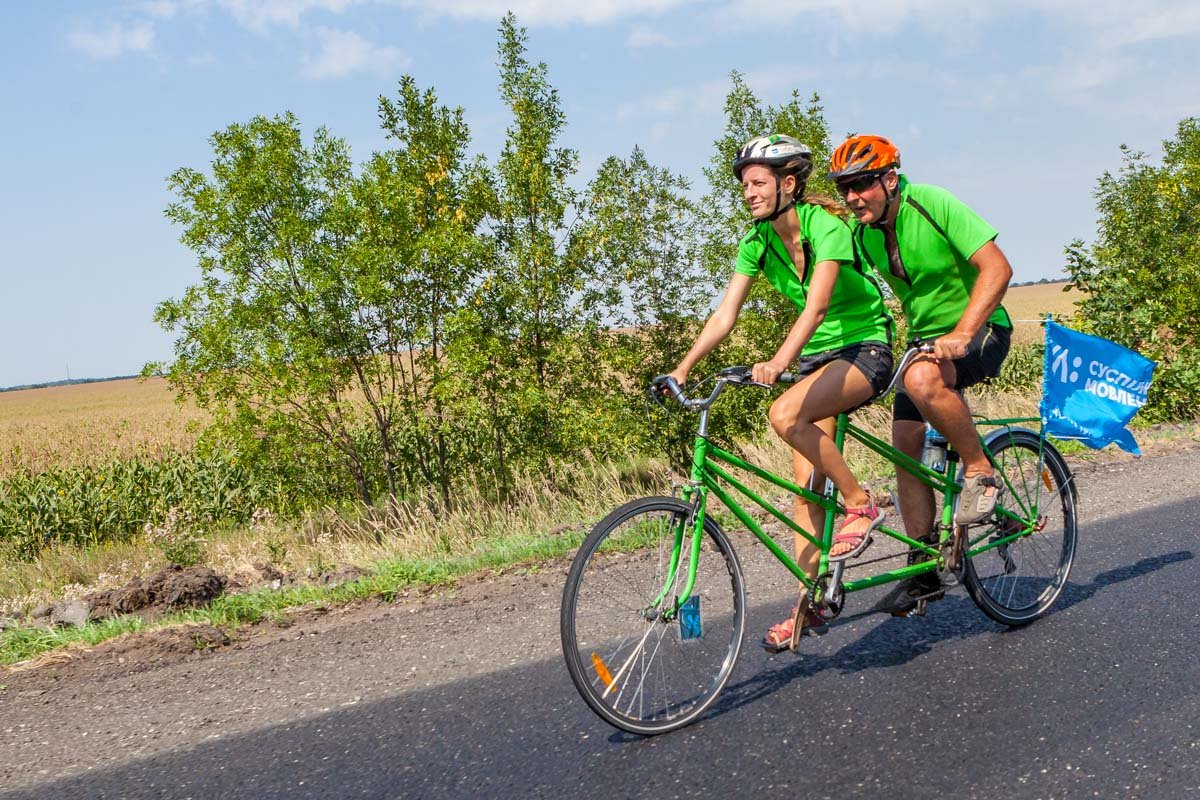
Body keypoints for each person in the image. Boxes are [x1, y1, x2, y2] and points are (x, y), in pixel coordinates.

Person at [665, 134, 894, 650]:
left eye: (758, 182)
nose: (748, 192)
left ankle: (860, 504)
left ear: (789, 184)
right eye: (744, 184)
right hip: (818, 359)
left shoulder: (826, 226)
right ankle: (808, 603)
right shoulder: (757, 242)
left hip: (865, 348)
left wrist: (777, 363)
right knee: (806, 487)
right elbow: (726, 314)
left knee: (785, 414)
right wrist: (683, 368)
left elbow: (815, 308)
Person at [827, 134, 1014, 614]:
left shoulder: (932, 202)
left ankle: (980, 470)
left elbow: (997, 268)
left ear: (890, 179)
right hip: (924, 346)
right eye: (844, 188)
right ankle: (924, 566)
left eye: (862, 185)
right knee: (905, 447)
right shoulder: (863, 235)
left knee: (923, 381)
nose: (852, 197)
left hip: (981, 329)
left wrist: (963, 332)